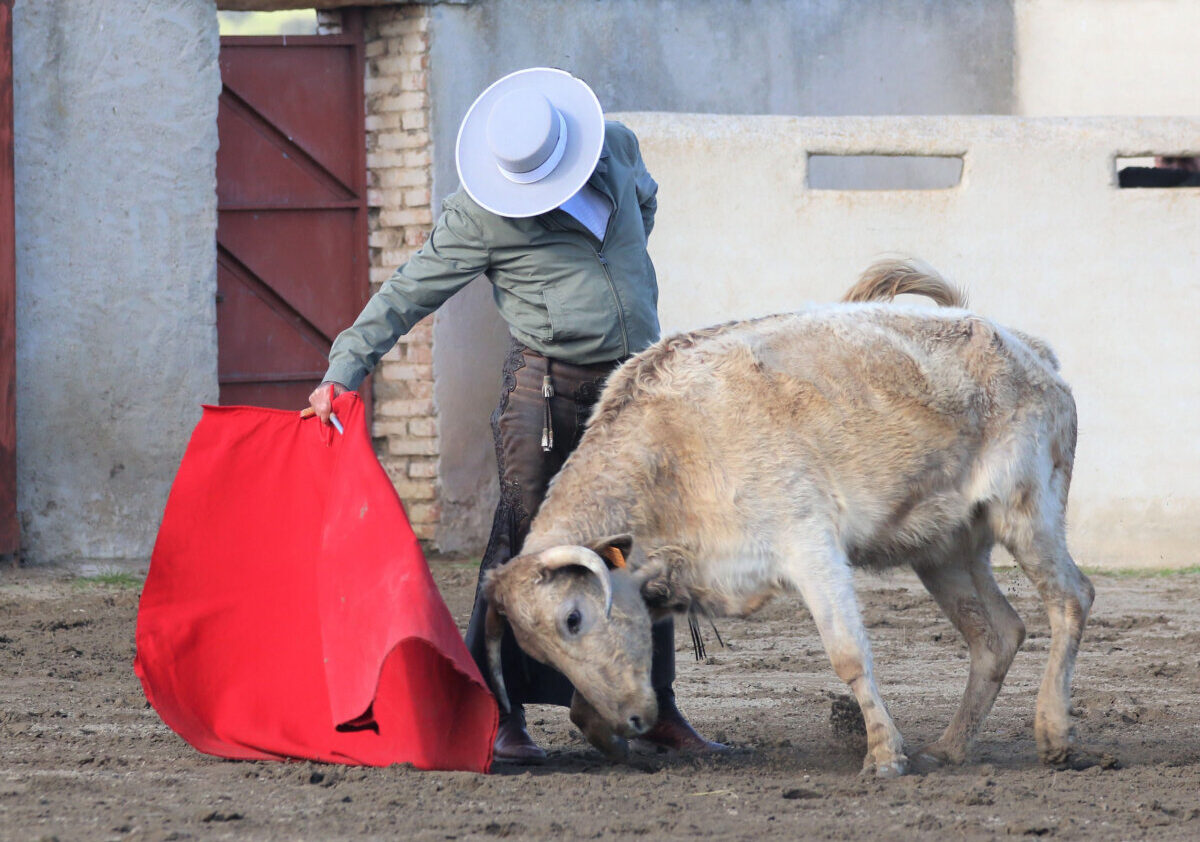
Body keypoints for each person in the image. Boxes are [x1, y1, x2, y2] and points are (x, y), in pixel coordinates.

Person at [307, 68, 722, 762]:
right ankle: (496, 713)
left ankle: (650, 709)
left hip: (635, 397)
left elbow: (643, 209)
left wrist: (620, 280)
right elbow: (408, 292)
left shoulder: (615, 149)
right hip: (546, 400)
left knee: (633, 551)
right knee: (527, 558)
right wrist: (342, 369)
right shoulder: (482, 213)